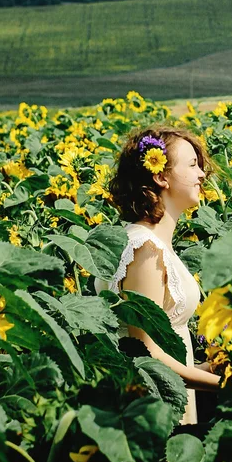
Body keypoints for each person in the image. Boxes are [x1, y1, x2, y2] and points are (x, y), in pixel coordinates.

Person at [97, 125, 220, 424]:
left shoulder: (153, 244)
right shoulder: (145, 249)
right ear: (160, 176)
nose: (201, 175)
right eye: (192, 165)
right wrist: (222, 387)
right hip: (155, 406)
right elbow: (145, 353)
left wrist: (208, 369)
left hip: (171, 390)